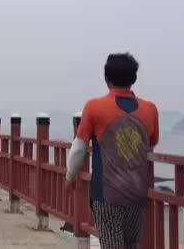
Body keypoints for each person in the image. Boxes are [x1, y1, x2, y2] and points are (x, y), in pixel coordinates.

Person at [65, 53, 159, 249]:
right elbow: (151, 144)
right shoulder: (150, 109)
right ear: (134, 78)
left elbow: (79, 149)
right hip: (138, 193)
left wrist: (70, 177)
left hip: (106, 193)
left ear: (106, 78)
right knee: (131, 245)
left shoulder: (94, 107)